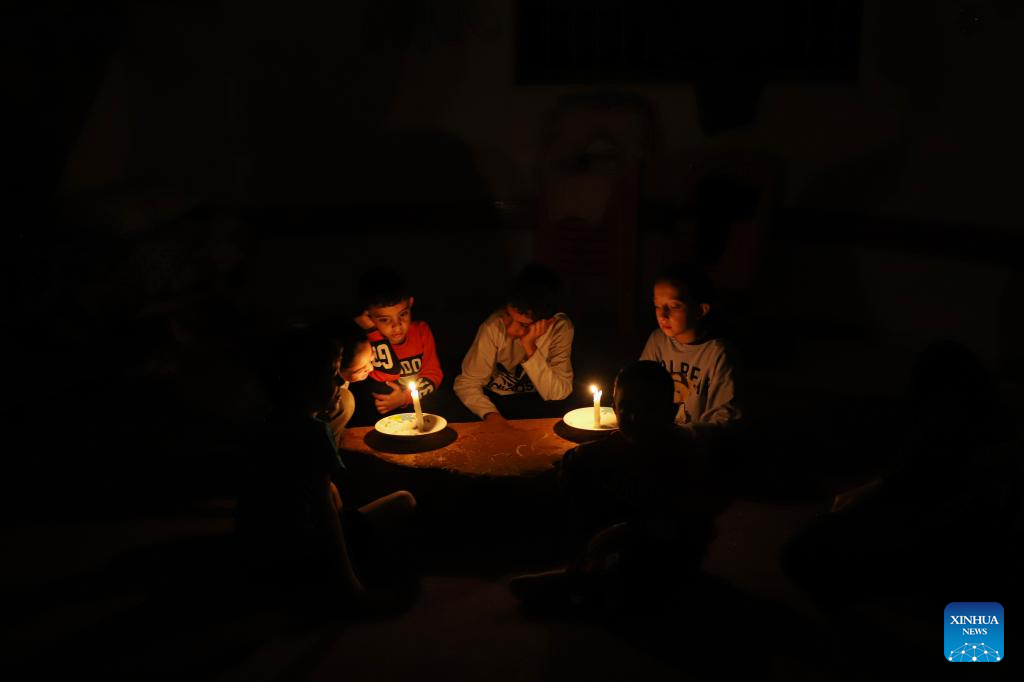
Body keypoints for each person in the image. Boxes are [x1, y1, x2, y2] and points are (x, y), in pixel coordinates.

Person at [511, 360, 727, 615]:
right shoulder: (601, 453)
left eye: (649, 409)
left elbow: (692, 526)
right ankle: (588, 577)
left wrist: (627, 532)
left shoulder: (687, 455)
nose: (636, 418)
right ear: (614, 408)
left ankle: (592, 588)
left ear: (670, 412)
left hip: (663, 555)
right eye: (627, 409)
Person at [236, 323, 417, 613]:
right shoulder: (310, 432)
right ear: (306, 383)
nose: (339, 382)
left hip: (261, 546)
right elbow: (326, 515)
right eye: (333, 374)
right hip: (302, 549)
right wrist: (355, 592)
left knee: (392, 504)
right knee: (404, 505)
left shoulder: (267, 422)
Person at [454, 264, 574, 422]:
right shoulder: (493, 326)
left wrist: (530, 347)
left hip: (539, 404)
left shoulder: (560, 328)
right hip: (495, 401)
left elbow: (558, 393)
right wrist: (491, 415)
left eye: (523, 325)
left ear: (548, 322)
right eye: (508, 315)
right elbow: (467, 383)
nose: (510, 329)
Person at [640, 263, 741, 434]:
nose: (662, 314)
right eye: (658, 305)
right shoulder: (658, 341)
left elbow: (725, 419)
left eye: (674, 306)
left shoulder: (718, 353)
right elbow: (639, 386)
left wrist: (681, 436)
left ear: (700, 310)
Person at [351, 268, 443, 423]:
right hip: (382, 410)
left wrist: (404, 398)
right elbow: (390, 373)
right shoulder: (367, 341)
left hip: (417, 404)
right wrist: (372, 332)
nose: (397, 326)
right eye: (384, 319)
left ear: (410, 304)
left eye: (403, 314)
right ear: (368, 316)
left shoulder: (421, 331)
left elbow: (433, 374)